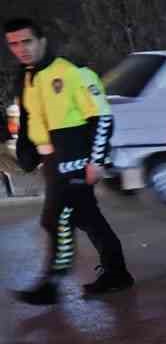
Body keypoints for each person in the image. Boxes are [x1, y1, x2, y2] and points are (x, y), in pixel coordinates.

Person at [5, 16, 132, 303]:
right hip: (52, 162)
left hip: (74, 160)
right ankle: (117, 273)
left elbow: (102, 117)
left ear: (42, 41)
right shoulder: (27, 77)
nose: (21, 49)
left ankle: (50, 286)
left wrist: (96, 161)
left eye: (27, 41)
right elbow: (30, 118)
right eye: (13, 44)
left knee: (55, 219)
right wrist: (28, 152)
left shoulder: (73, 72)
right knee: (88, 218)